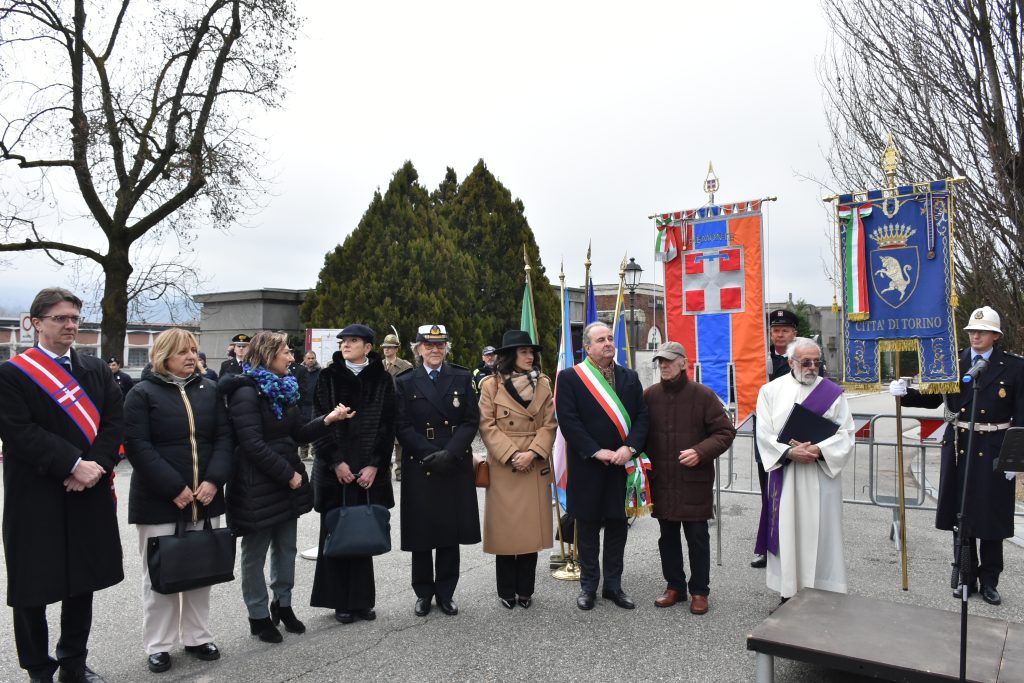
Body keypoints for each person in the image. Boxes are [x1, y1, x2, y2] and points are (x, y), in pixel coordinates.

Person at [0, 287, 124, 683]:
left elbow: (114, 423)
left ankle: (73, 663)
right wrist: (72, 464)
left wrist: (95, 466)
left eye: (74, 318)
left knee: (82, 581)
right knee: (32, 587)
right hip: (35, 494)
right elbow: (18, 431)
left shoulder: (96, 369)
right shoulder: (11, 373)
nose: (70, 325)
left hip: (87, 490)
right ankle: (38, 669)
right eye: (60, 318)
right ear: (36, 323)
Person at [219, 331, 350, 643]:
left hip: (284, 483)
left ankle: (283, 604)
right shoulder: (245, 392)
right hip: (256, 486)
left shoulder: (283, 387)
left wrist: (328, 420)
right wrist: (288, 475)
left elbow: (298, 433)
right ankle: (258, 616)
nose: (292, 358)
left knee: (286, 548)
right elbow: (251, 444)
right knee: (255, 554)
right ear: (267, 355)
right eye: (286, 353)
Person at [892, 305, 1024, 605]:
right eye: (972, 331)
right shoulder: (954, 361)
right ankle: (966, 576)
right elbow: (933, 397)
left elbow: (1021, 415)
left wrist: (1015, 459)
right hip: (959, 445)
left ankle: (989, 581)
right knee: (961, 515)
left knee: (991, 518)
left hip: (995, 446)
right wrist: (905, 393)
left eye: (982, 332)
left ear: (995, 335)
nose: (975, 336)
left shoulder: (1014, 366)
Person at [122, 329, 233, 674]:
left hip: (206, 498)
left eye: (193, 350)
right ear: (164, 355)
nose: (191, 357)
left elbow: (225, 438)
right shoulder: (142, 393)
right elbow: (138, 446)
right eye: (183, 351)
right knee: (160, 576)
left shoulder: (210, 390)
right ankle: (159, 645)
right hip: (159, 501)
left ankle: (198, 637)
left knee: (201, 571)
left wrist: (214, 480)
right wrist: (174, 487)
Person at [555, 322, 649, 611]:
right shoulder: (571, 378)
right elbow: (568, 420)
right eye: (601, 340)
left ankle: (613, 586)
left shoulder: (630, 378)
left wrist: (629, 448)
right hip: (588, 467)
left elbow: (642, 417)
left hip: (622, 466)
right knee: (587, 529)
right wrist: (596, 451)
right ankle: (588, 587)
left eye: (610, 338)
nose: (608, 343)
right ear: (587, 347)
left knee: (618, 527)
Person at [755, 337, 855, 603]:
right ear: (791, 362)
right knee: (788, 532)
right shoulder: (770, 391)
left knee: (822, 534)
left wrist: (819, 450)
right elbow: (764, 433)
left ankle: (823, 593)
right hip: (786, 475)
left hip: (820, 475)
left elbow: (846, 433)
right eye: (806, 362)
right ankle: (788, 593)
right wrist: (789, 452)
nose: (812, 367)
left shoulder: (832, 393)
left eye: (816, 362)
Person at [310, 324, 396, 623]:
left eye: (353, 340)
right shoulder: (328, 377)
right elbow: (319, 423)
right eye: (343, 341)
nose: (346, 345)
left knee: (363, 534)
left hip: (368, 472)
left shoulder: (382, 379)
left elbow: (388, 426)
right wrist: (336, 462)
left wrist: (375, 464)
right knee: (336, 533)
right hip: (334, 472)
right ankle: (339, 602)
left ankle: (362, 601)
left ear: (368, 347)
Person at [394, 324, 481, 617]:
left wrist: (451, 453)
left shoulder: (462, 376)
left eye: (440, 345)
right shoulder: (405, 381)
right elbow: (401, 424)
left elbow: (471, 420)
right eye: (428, 345)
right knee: (421, 531)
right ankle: (423, 593)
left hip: (453, 461)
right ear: (418, 349)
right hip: (421, 461)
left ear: (446, 348)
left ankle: (446, 592)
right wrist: (429, 453)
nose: (434, 350)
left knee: (449, 530)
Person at [644, 341, 736, 615]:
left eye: (669, 360)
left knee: (697, 537)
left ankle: (699, 591)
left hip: (694, 480)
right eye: (660, 361)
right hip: (662, 480)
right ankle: (674, 586)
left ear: (684, 363)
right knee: (667, 537)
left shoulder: (703, 395)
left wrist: (700, 451)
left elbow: (725, 432)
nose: (664, 365)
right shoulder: (649, 396)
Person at [478, 330, 557, 609]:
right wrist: (513, 455)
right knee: (506, 532)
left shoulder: (544, 383)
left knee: (529, 532)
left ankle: (525, 591)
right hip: (505, 466)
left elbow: (550, 424)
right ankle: (506, 591)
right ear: (511, 355)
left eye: (531, 352)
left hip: (533, 464)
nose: (530, 356)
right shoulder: (491, 385)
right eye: (524, 351)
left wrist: (532, 453)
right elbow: (486, 425)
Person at [751, 308, 800, 569]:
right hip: (767, 437)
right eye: (775, 330)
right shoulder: (759, 358)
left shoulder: (804, 358)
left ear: (794, 333)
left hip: (795, 436)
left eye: (785, 330)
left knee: (796, 495)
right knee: (768, 495)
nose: (779, 335)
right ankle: (767, 546)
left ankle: (795, 546)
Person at [381, 334, 413, 480]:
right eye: (385, 347)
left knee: (400, 441)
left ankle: (400, 471)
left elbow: (410, 388)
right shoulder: (378, 366)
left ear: (396, 349)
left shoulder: (406, 366)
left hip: (400, 407)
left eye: (390, 347)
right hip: (382, 409)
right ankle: (384, 470)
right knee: (383, 440)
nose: (386, 350)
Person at [297, 351, 322, 461]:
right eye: (309, 358)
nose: (311, 360)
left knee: (316, 428)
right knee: (303, 428)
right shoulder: (299, 371)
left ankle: (315, 452)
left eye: (313, 358)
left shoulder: (320, 372)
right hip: (302, 404)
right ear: (304, 359)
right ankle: (303, 452)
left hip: (315, 404)